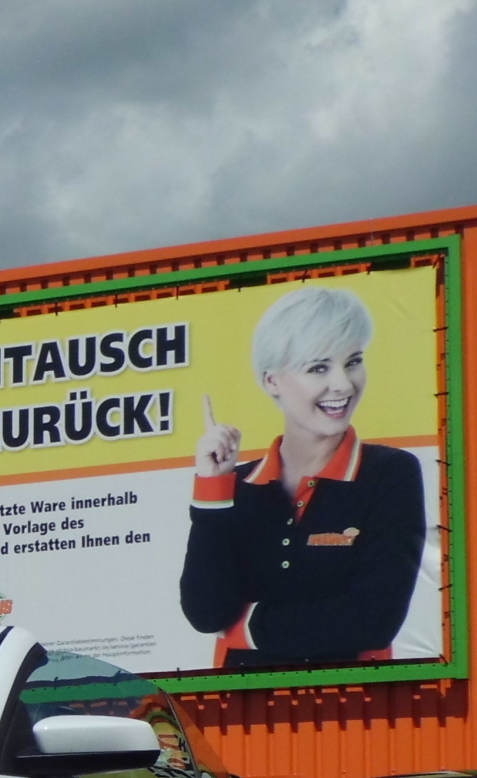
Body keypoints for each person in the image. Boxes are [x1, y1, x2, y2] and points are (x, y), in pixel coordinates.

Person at [178, 284, 426, 668]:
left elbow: (374, 620)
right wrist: (212, 487)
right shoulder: (236, 487)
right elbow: (207, 613)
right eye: (318, 368)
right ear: (271, 380)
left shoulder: (389, 472)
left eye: (353, 361)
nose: (344, 384)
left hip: (358, 709)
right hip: (242, 711)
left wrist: (246, 628)